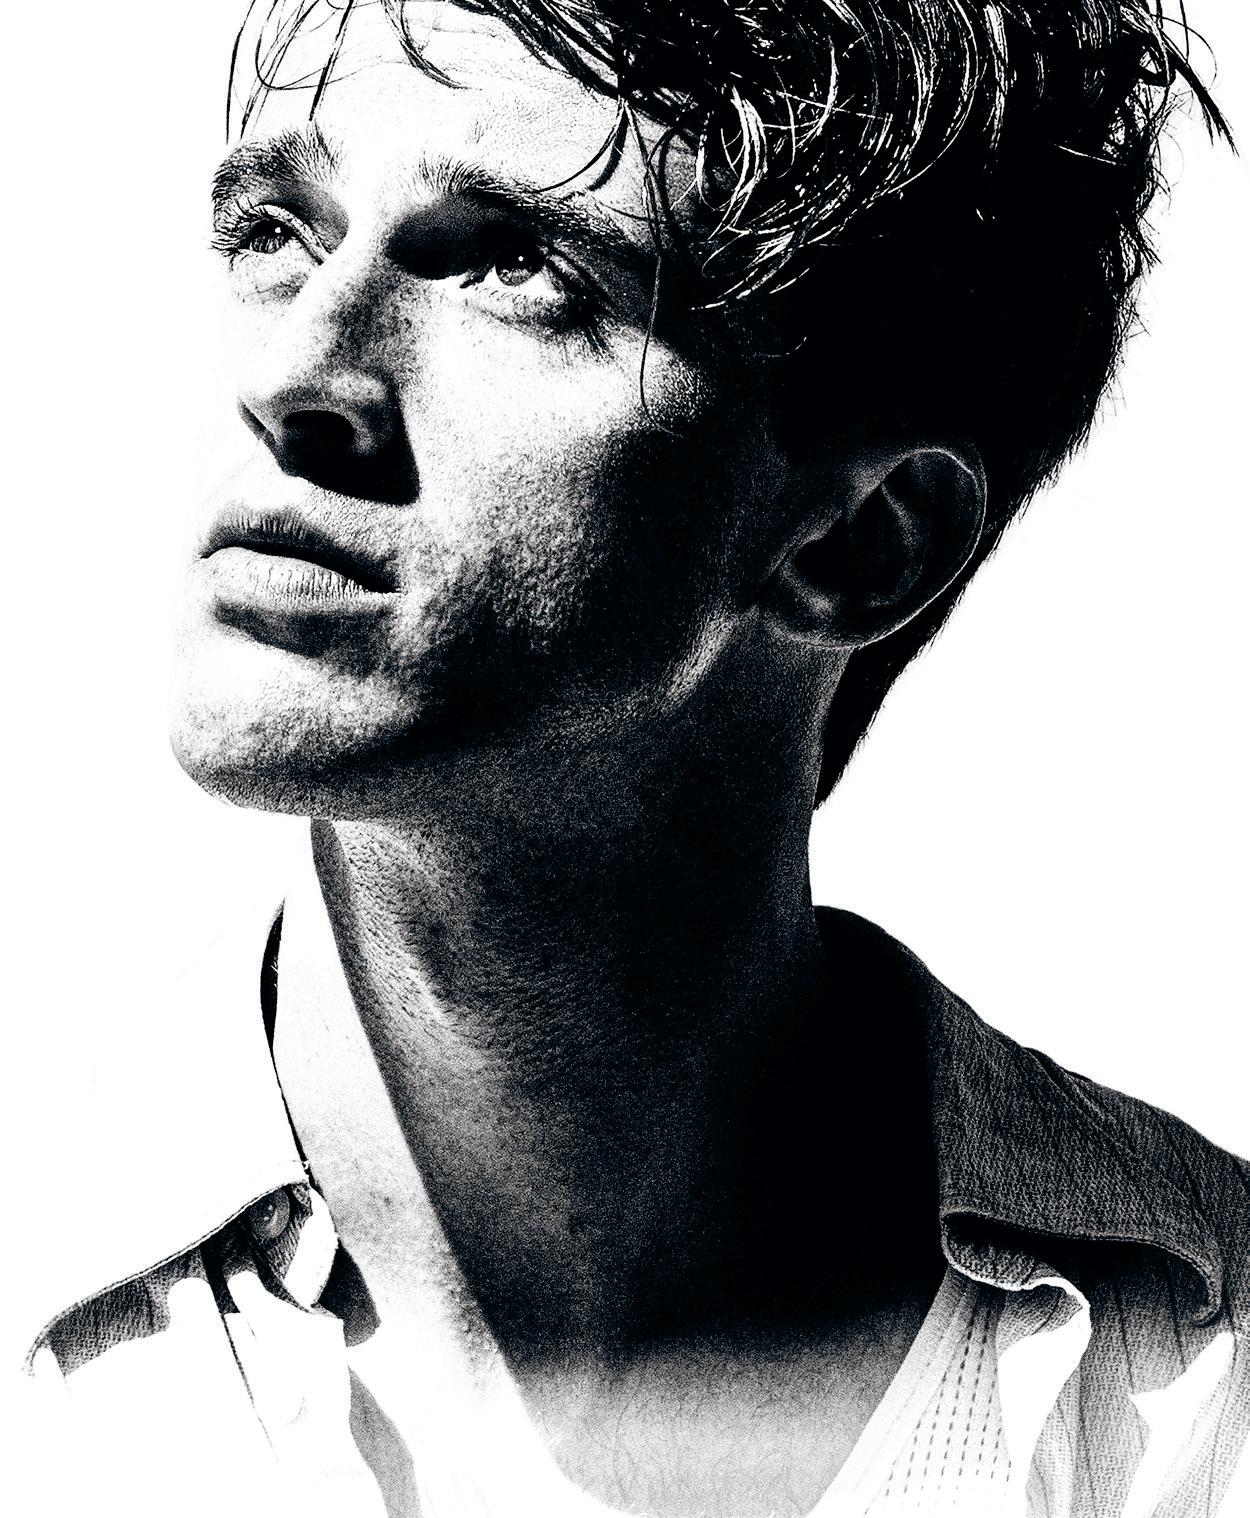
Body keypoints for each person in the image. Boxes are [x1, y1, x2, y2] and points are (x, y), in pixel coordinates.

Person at [14, 1, 1247, 1515]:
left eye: (514, 268)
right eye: (276, 230)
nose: (296, 371)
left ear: (859, 541)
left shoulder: (1202, 1398)